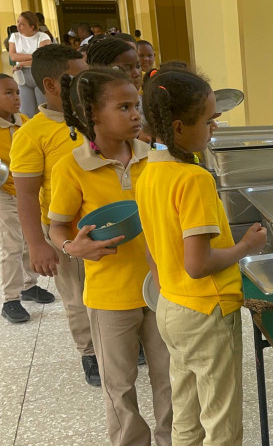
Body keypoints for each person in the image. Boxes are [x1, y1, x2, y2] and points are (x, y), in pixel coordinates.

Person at [137, 69, 266, 444]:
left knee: (187, 413)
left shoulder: (148, 172)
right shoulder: (193, 180)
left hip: (172, 308)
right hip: (207, 312)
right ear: (178, 128)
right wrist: (245, 247)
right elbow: (198, 264)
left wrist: (169, 291)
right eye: (209, 120)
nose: (215, 127)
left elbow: (152, 248)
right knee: (221, 421)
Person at [48, 67, 172, 445]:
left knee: (170, 378)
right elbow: (56, 226)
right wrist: (72, 247)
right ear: (92, 115)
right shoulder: (72, 166)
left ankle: (173, 439)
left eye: (137, 105)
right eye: (124, 107)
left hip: (160, 288)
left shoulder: (154, 158)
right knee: (119, 387)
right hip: (109, 297)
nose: (136, 114)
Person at [9, 44, 99, 386]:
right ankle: (90, 352)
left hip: (108, 222)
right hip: (66, 230)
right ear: (50, 85)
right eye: (78, 79)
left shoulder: (95, 117)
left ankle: (121, 340)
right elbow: (27, 195)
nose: (86, 86)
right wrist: (37, 244)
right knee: (77, 296)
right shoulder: (33, 134)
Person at [0, 74, 55, 324]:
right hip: (3, 194)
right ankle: (10, 299)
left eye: (16, 92)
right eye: (8, 93)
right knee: (11, 245)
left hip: (23, 191)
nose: (16, 97)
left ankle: (28, 285)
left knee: (25, 241)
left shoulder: (22, 121)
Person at [8, 11, 52, 117]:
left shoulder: (43, 37)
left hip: (39, 73)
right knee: (26, 112)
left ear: (31, 26)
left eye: (22, 24)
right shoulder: (14, 36)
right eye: (18, 22)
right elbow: (13, 56)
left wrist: (22, 63)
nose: (18, 25)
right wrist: (35, 56)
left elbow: (43, 59)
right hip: (23, 76)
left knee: (42, 110)